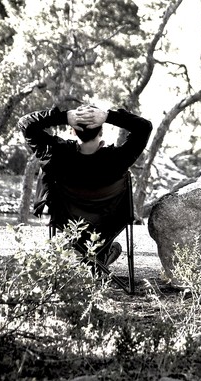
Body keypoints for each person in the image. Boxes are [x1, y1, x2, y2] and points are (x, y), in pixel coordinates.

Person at [18, 104, 152, 270]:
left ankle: (90, 259)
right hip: (109, 224)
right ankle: (98, 258)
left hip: (68, 222)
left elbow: (26, 123)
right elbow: (144, 127)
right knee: (108, 237)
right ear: (101, 131)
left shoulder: (57, 155)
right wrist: (108, 116)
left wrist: (65, 116)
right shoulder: (118, 159)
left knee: (82, 237)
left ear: (73, 131)